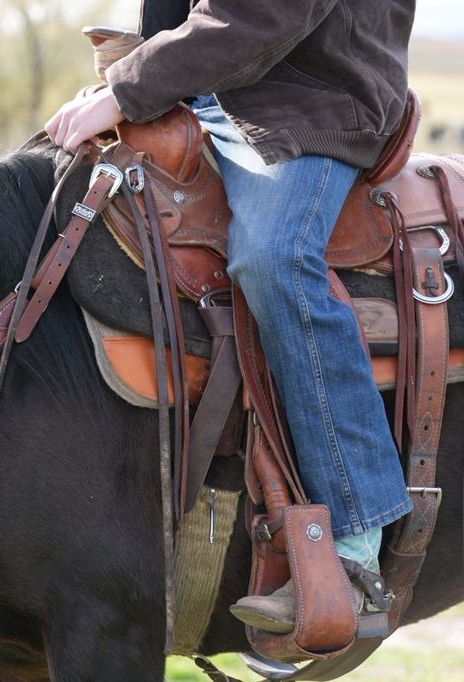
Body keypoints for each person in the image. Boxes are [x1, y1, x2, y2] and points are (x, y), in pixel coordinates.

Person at [45, 0, 415, 633]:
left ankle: (356, 539)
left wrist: (127, 90)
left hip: (309, 104)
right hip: (199, 94)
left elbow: (266, 10)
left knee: (273, 259)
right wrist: (141, 66)